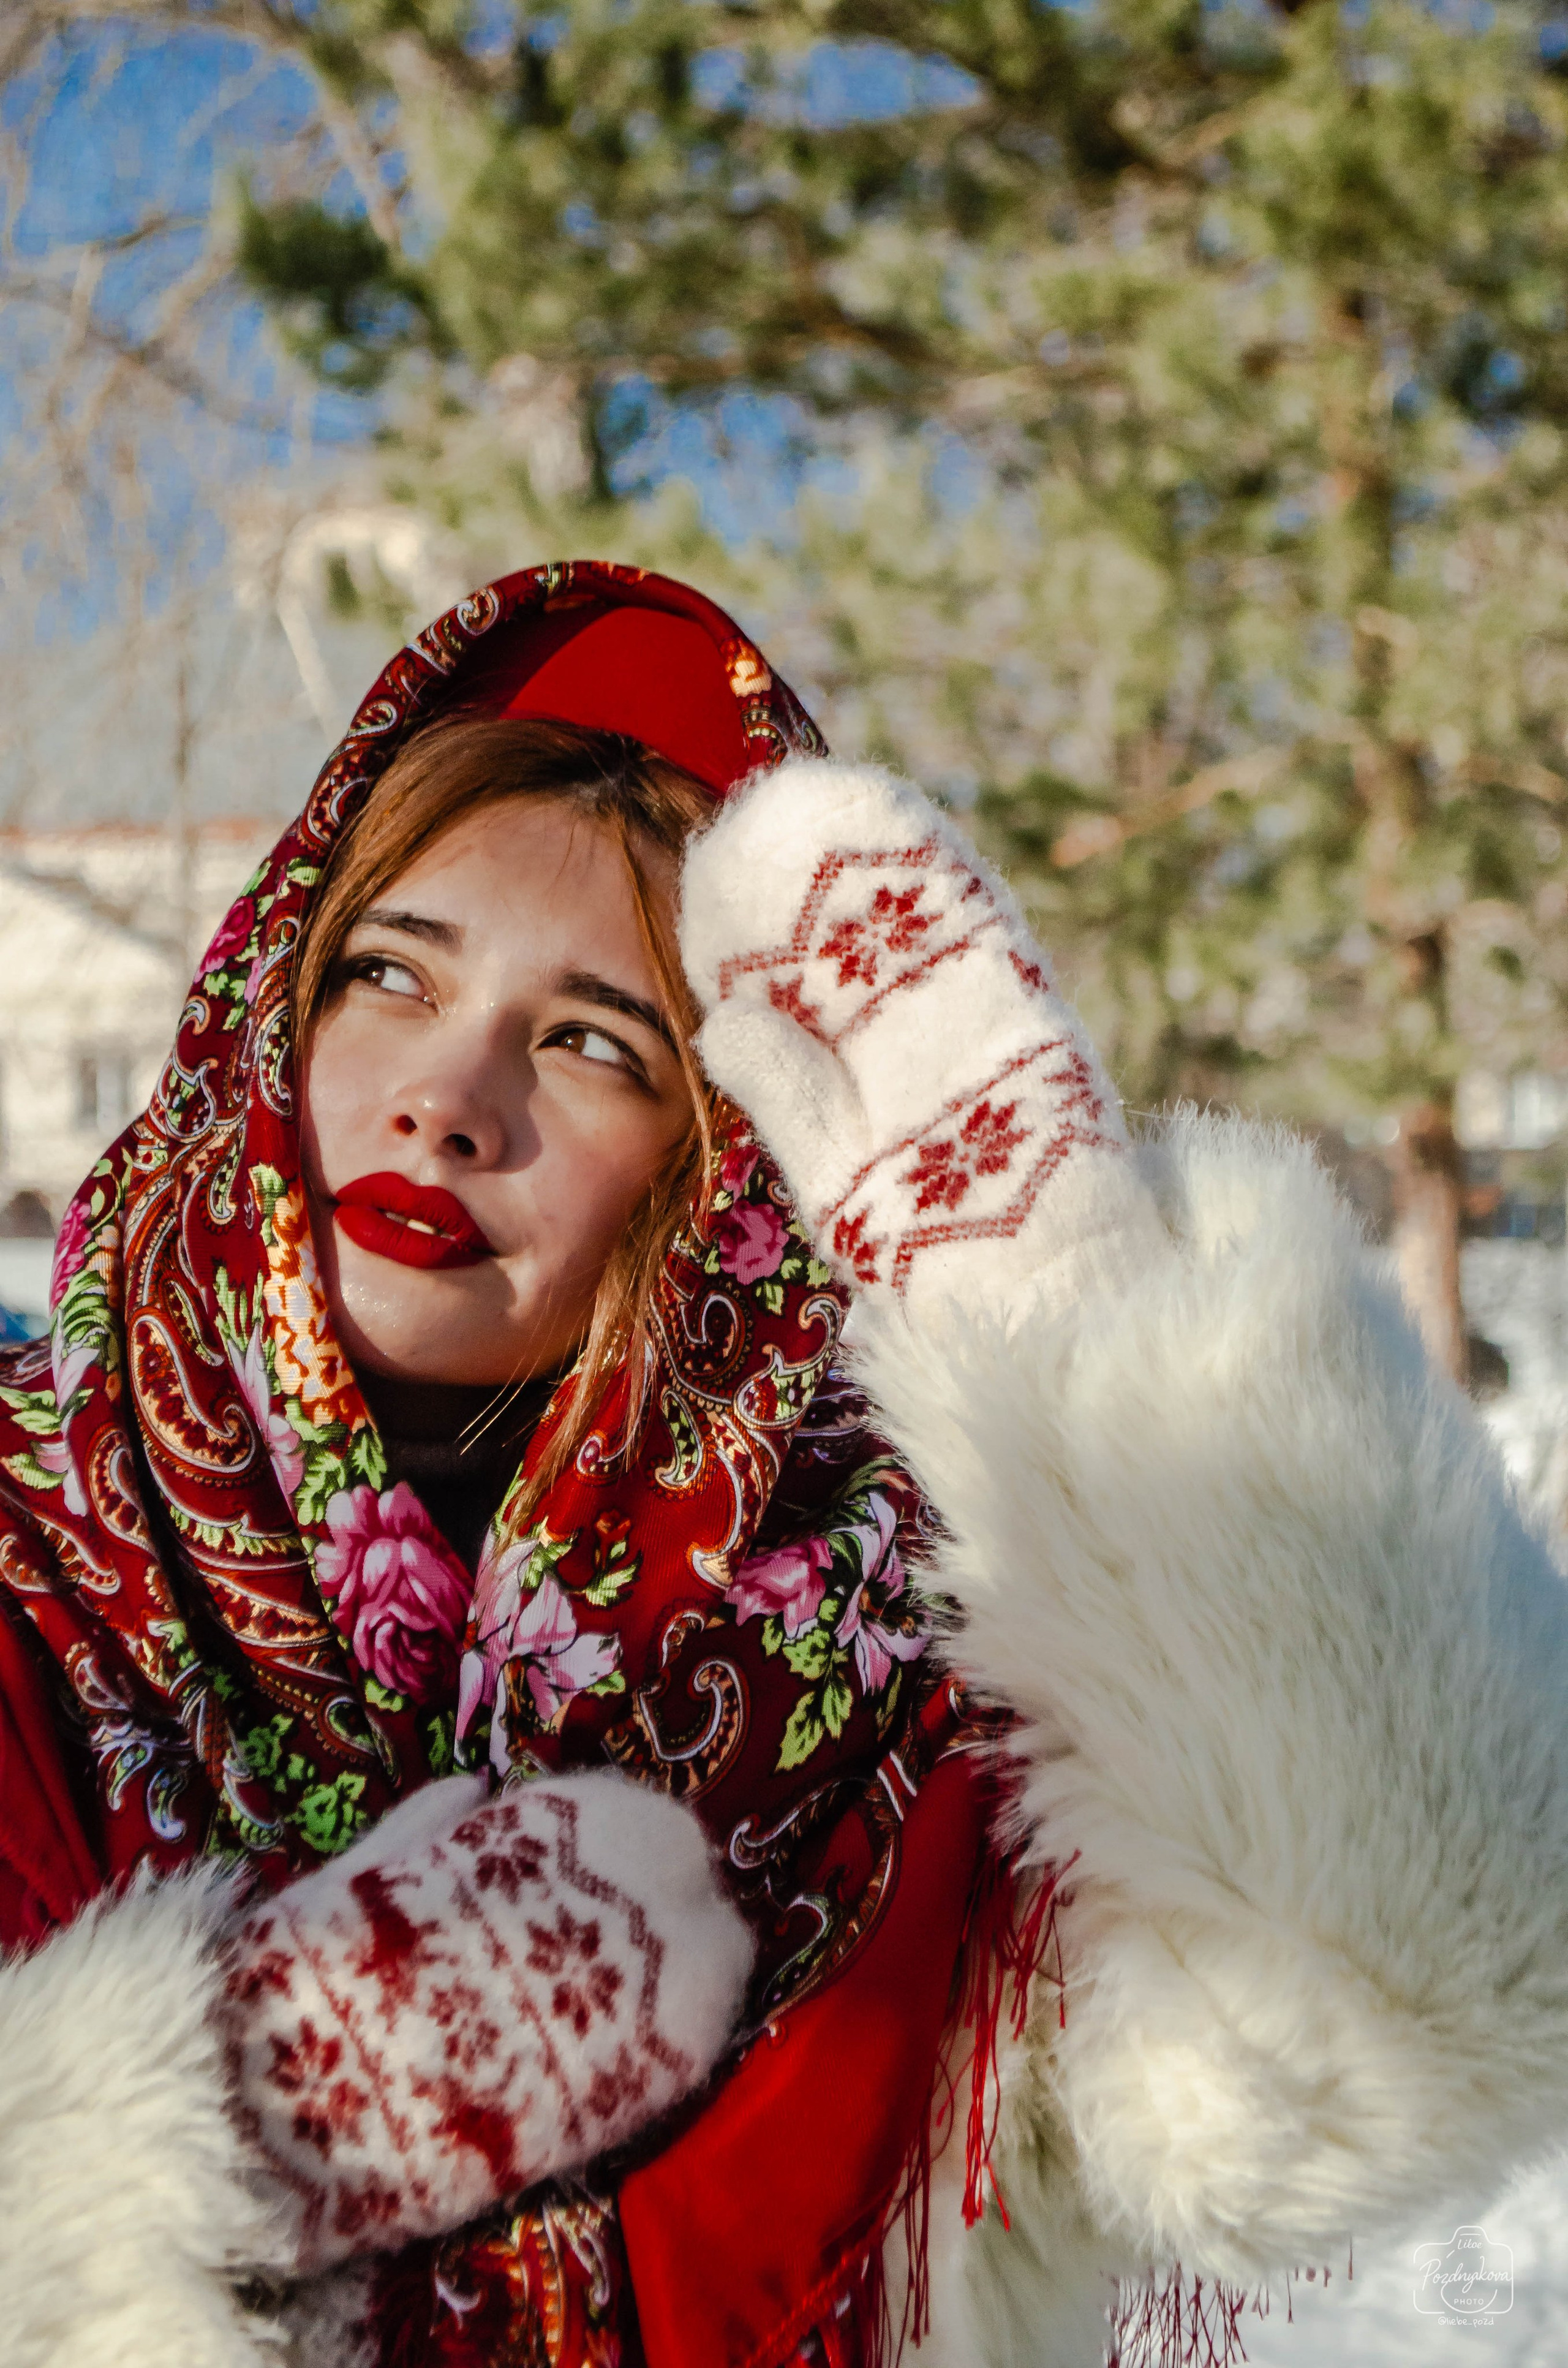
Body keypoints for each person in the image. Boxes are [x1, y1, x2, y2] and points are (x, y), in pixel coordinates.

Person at [2, 562, 1568, 2368]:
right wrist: (220, 2130)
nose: (451, 1092)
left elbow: (1397, 2020)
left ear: (719, 1184)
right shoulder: (28, 1575)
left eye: (592, 1040)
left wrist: (1102, 1370)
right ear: (266, 1007)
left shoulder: (908, 1720)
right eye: (386, 974)